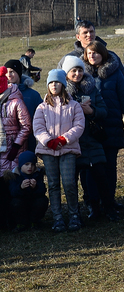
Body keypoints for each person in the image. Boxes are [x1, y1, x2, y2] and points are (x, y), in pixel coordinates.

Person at [83, 41, 124, 221]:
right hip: (91, 129)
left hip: (111, 125)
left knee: (109, 168)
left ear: (103, 54)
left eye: (96, 53)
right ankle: (94, 205)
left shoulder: (114, 74)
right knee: (92, 168)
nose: (93, 56)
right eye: (89, 53)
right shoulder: (81, 75)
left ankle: (109, 202)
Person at [33, 69, 86, 232]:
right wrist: (49, 141)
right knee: (54, 184)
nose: (54, 85)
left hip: (68, 149)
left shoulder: (74, 105)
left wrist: (63, 139)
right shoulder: (42, 107)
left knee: (69, 182)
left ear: (63, 85)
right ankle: (57, 218)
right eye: (51, 82)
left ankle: (74, 215)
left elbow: (79, 125)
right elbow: (38, 127)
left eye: (57, 82)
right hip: (48, 151)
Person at [61, 55, 108, 224]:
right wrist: (74, 110)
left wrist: (92, 111)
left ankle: (103, 209)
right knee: (72, 181)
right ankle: (75, 213)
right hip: (73, 142)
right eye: (73, 70)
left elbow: (104, 110)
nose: (77, 73)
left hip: (93, 140)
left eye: (80, 69)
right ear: (66, 74)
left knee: (100, 176)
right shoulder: (61, 92)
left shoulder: (92, 89)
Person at [0, 68, 32, 175]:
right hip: (1, 146)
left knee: (12, 179)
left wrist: (16, 146)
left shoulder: (16, 101)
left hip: (14, 147)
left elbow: (26, 126)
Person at [6, 152, 48, 232]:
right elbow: (12, 192)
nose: (30, 167)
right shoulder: (14, 175)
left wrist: (35, 188)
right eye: (26, 164)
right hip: (21, 204)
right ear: (21, 165)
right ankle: (20, 223)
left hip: (33, 202)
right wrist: (21, 187)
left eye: (32, 164)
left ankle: (34, 222)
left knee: (42, 200)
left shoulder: (38, 174)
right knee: (15, 202)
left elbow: (42, 191)